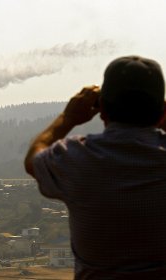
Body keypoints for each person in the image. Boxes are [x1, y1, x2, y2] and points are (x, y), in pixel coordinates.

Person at [24, 56, 166, 279]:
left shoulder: (76, 158)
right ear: (161, 112)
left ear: (102, 110)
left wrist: (67, 118)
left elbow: (33, 159)